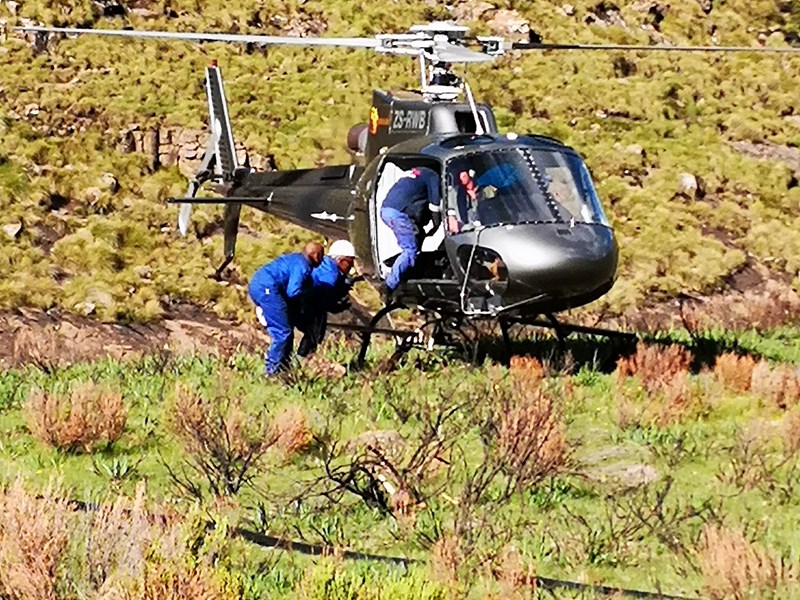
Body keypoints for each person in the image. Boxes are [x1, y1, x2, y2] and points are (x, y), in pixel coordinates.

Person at [248, 241, 324, 376]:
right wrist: (312, 291)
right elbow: (293, 291)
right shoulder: (303, 266)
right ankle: (271, 370)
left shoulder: (295, 259)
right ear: (316, 255)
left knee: (287, 328)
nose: (322, 260)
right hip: (268, 288)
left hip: (259, 284)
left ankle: (283, 367)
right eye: (321, 256)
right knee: (282, 331)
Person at [380, 166, 441, 297]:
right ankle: (389, 285)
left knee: (416, 236)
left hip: (387, 210)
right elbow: (435, 206)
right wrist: (437, 224)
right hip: (399, 214)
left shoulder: (418, 173)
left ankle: (403, 267)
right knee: (410, 250)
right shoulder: (433, 176)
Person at [295, 239, 361, 357]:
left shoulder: (325, 264)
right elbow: (322, 299)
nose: (351, 268)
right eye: (349, 263)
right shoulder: (331, 275)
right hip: (306, 302)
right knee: (314, 332)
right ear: (340, 260)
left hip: (303, 299)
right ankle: (302, 358)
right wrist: (336, 305)